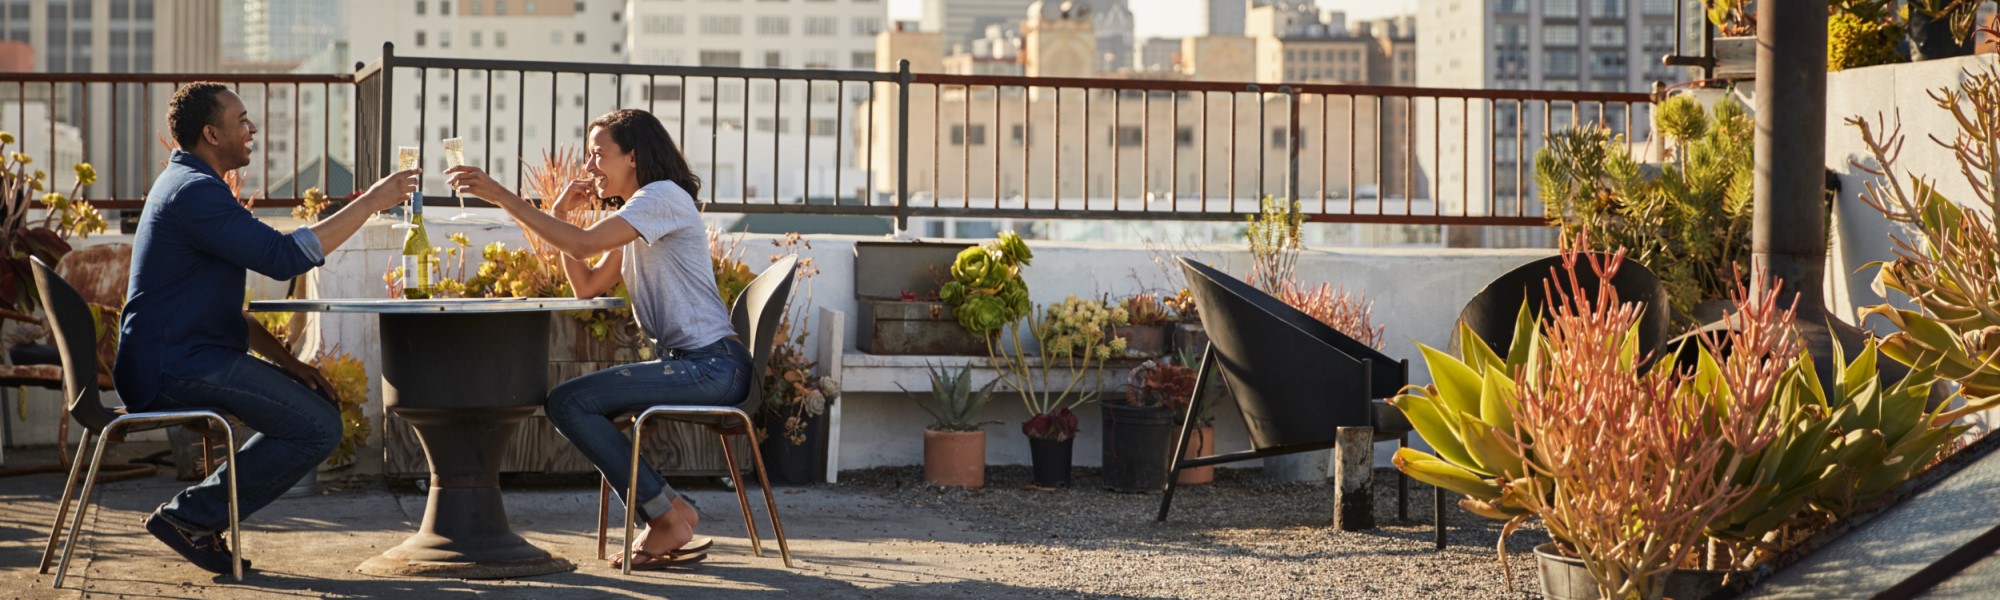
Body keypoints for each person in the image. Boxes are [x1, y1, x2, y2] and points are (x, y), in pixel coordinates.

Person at [119, 82, 420, 575]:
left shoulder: (192, 185)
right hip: (171, 367)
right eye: (242, 120)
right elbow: (283, 258)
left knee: (317, 409)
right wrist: (372, 202)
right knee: (318, 427)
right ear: (212, 133)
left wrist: (290, 363)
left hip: (189, 356)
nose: (252, 128)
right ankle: (190, 517)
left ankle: (196, 518)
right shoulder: (194, 193)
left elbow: (230, 310)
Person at [446, 108, 744, 570]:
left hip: (710, 366)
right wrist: (561, 213)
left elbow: (584, 245)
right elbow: (586, 284)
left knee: (569, 403)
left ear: (633, 156)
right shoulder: (639, 215)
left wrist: (501, 195)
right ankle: (670, 511)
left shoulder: (660, 197)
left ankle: (665, 516)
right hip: (698, 365)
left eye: (598, 154)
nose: (589, 168)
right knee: (570, 402)